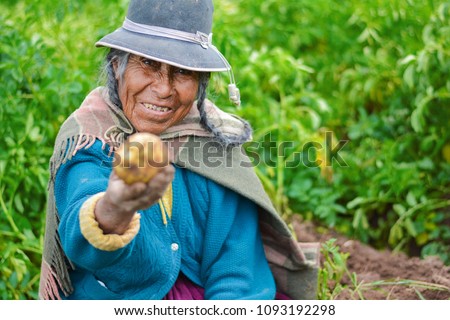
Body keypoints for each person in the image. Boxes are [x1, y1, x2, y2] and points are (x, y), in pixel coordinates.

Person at [39, 0, 319, 300]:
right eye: (147, 64)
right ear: (116, 65)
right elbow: (81, 231)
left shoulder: (216, 142)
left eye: (182, 72)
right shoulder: (90, 134)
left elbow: (237, 273)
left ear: (200, 83)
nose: (163, 89)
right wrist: (115, 208)